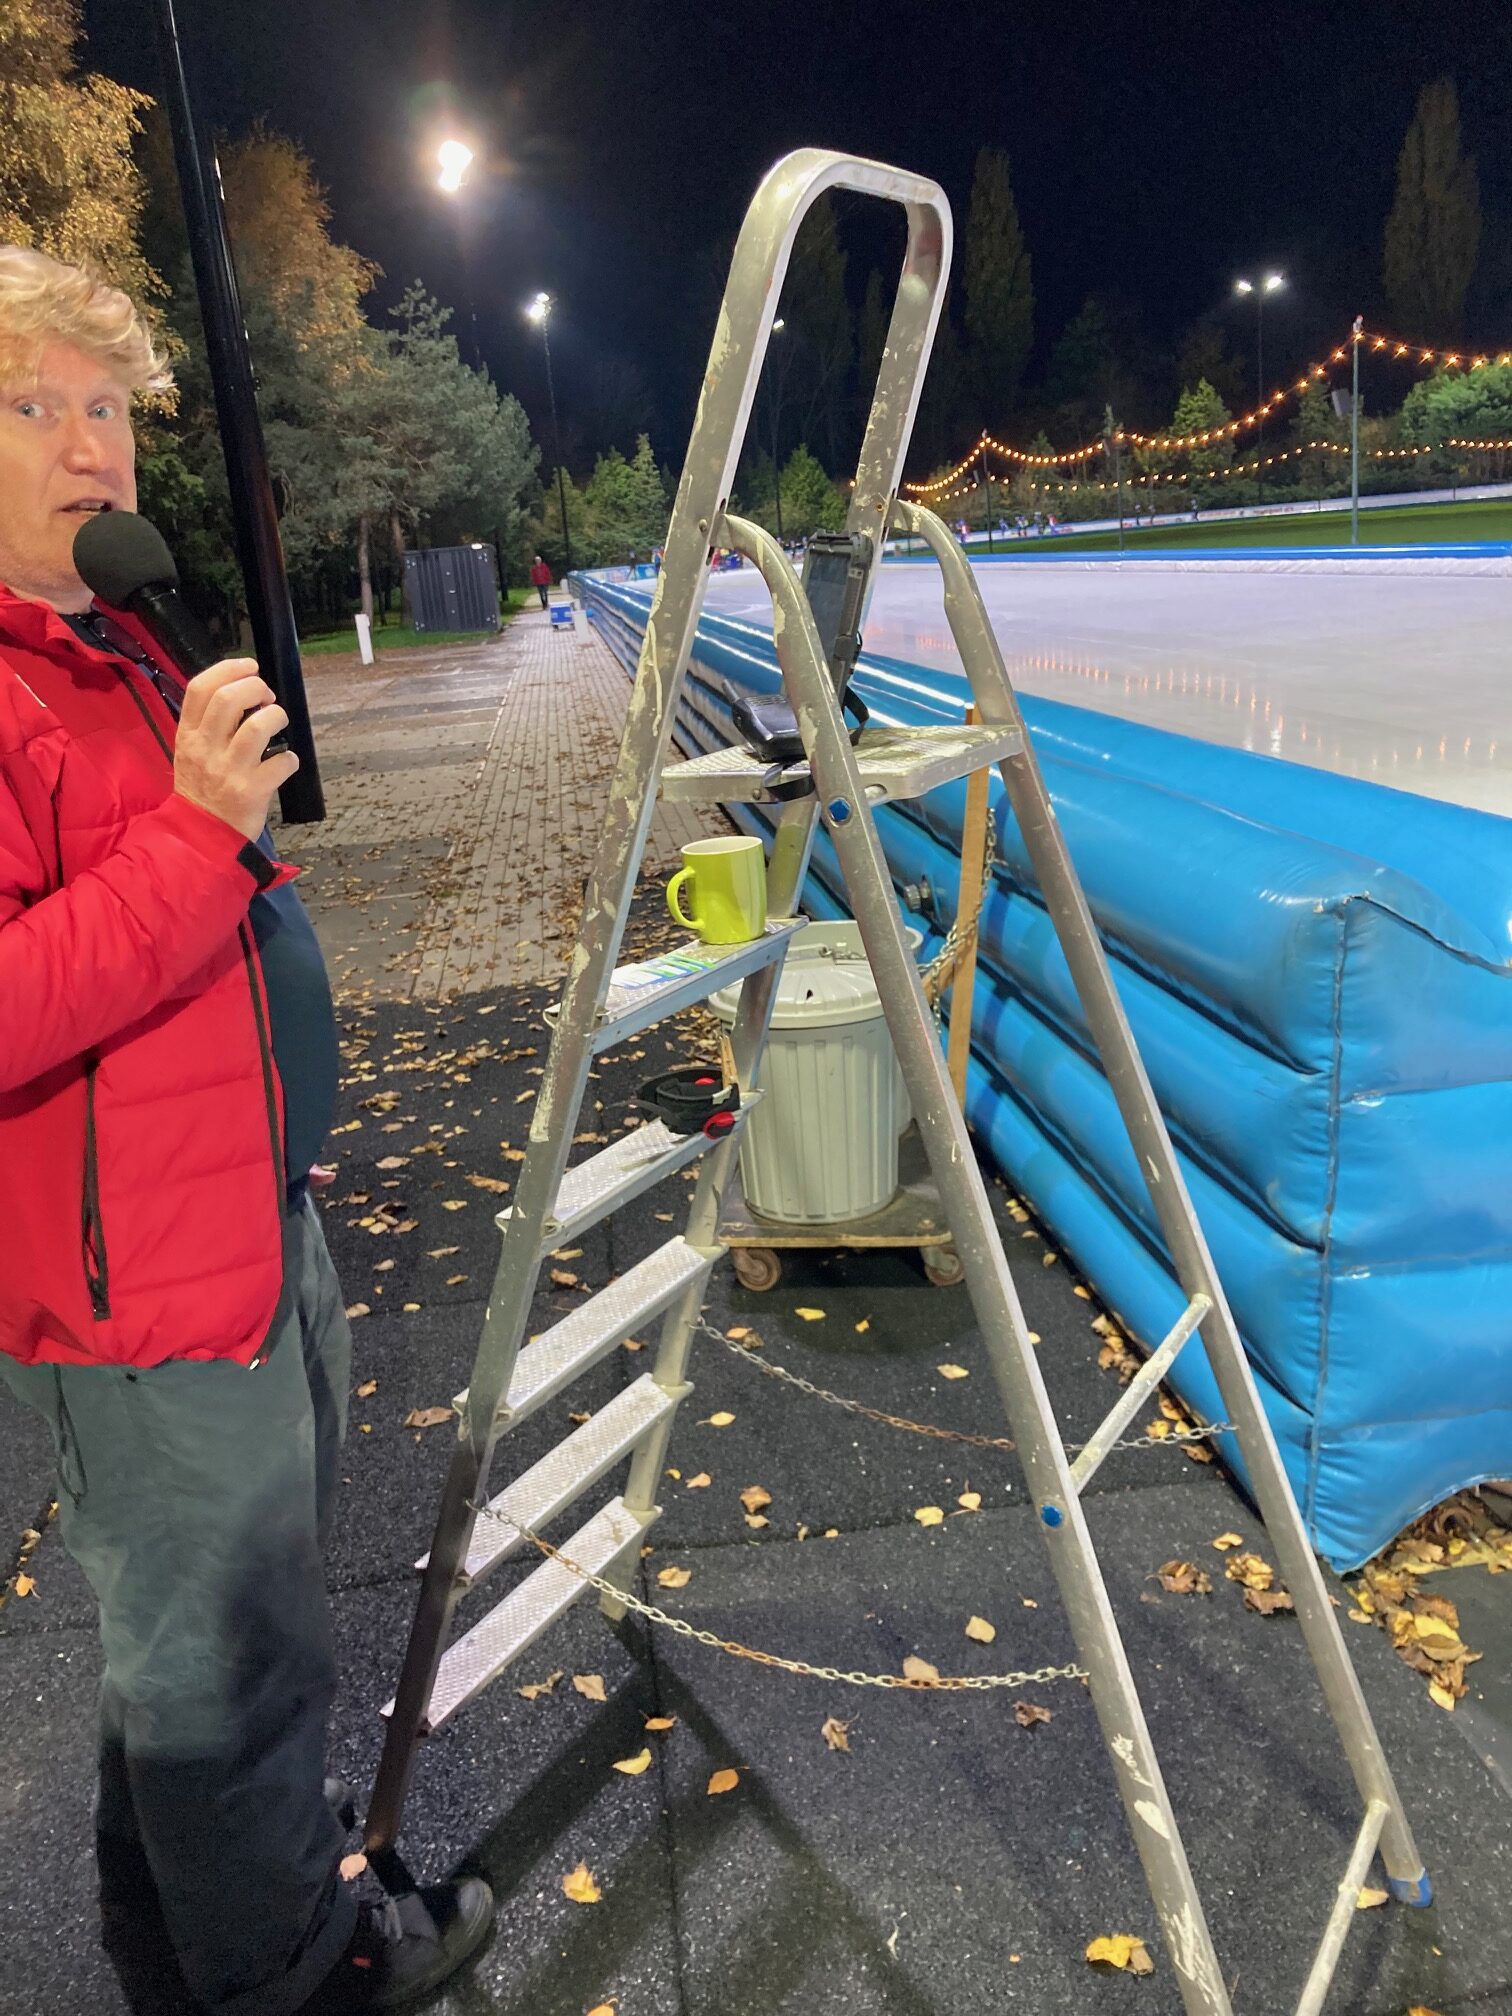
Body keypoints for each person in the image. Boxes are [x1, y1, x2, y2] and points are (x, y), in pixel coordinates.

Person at [0, 246, 493, 2012]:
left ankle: (185, 1940)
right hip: (141, 1292)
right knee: (228, 1664)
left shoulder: (111, 642)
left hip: (252, 1217)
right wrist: (202, 834)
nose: (93, 447)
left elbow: (189, 917)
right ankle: (293, 1974)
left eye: (109, 408)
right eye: (32, 405)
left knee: (209, 1647)